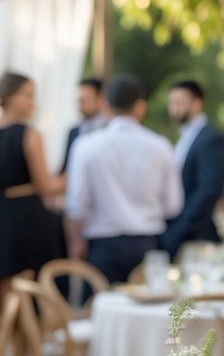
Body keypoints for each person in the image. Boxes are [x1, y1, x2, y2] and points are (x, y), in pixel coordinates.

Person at [65, 73, 183, 284]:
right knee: (149, 315)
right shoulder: (161, 147)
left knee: (100, 313)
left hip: (102, 249)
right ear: (140, 107)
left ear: (104, 105)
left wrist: (76, 240)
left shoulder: (86, 146)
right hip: (147, 247)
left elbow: (76, 207)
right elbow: (173, 206)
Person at [0, 72, 64, 307]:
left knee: (4, 286)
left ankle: (9, 339)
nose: (32, 102)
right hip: (29, 214)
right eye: (27, 95)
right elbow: (45, 186)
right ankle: (35, 338)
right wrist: (69, 177)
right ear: (8, 96)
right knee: (36, 286)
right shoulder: (30, 134)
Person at [159, 79, 224, 260]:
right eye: (172, 103)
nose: (174, 108)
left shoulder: (211, 140)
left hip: (196, 236)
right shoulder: (183, 138)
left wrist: (178, 231)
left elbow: (208, 190)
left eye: (179, 102)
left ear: (197, 103)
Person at [60, 76, 107, 173]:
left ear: (100, 100)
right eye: (78, 100)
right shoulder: (73, 131)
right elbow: (66, 168)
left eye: (84, 100)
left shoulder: (110, 130)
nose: (79, 105)